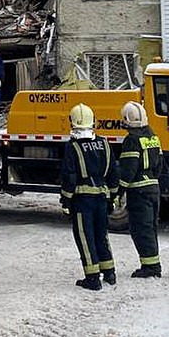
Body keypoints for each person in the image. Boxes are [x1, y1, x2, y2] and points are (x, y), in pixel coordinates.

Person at [60, 103, 116, 290]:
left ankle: (92, 278)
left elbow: (69, 176)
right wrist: (113, 198)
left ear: (72, 122)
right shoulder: (104, 143)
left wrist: (65, 200)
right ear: (93, 122)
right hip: (102, 197)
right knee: (102, 234)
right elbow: (113, 173)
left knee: (85, 237)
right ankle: (109, 272)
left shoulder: (73, 146)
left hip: (82, 200)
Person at [117, 101, 165, 278]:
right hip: (153, 189)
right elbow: (160, 165)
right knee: (151, 228)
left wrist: (119, 190)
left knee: (141, 229)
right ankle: (153, 264)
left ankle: (150, 267)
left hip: (139, 191)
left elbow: (128, 169)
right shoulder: (152, 136)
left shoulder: (131, 140)